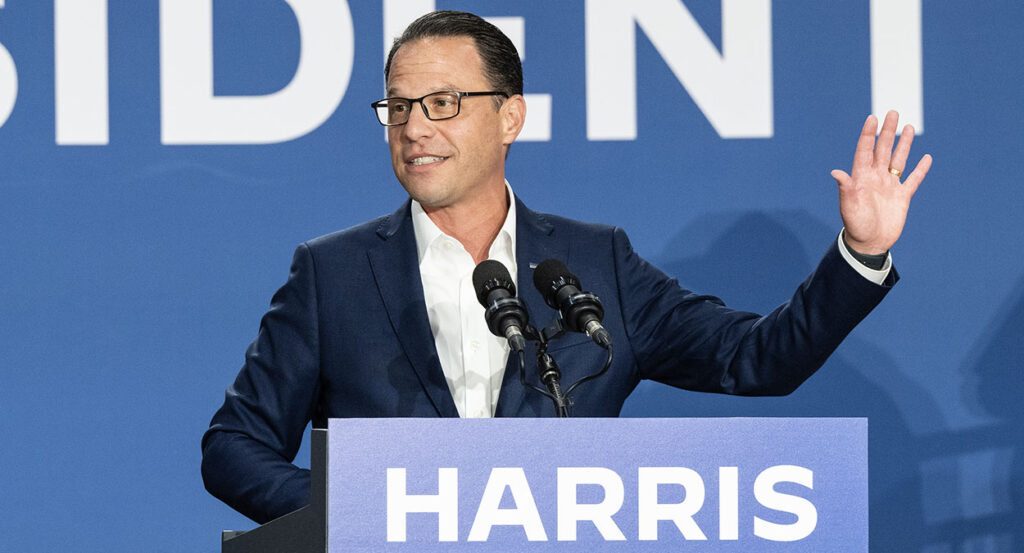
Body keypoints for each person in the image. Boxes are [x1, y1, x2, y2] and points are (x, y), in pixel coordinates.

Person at [202, 11, 932, 524]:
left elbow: (757, 359)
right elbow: (234, 447)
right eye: (397, 106)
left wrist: (860, 251)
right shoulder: (332, 274)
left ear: (510, 117)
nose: (414, 127)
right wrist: (366, 517)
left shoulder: (594, 265)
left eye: (442, 103)